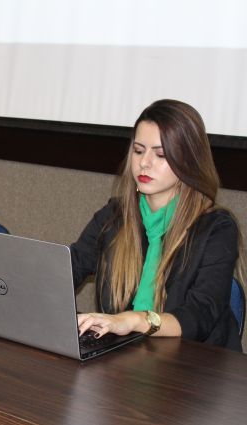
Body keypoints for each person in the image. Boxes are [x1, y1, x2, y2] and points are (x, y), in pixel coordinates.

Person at [71, 99, 244, 351]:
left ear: (189, 161)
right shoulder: (114, 216)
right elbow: (69, 267)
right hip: (129, 356)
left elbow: (200, 315)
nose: (145, 163)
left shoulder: (216, 228)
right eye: (138, 151)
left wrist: (135, 320)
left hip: (197, 364)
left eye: (160, 154)